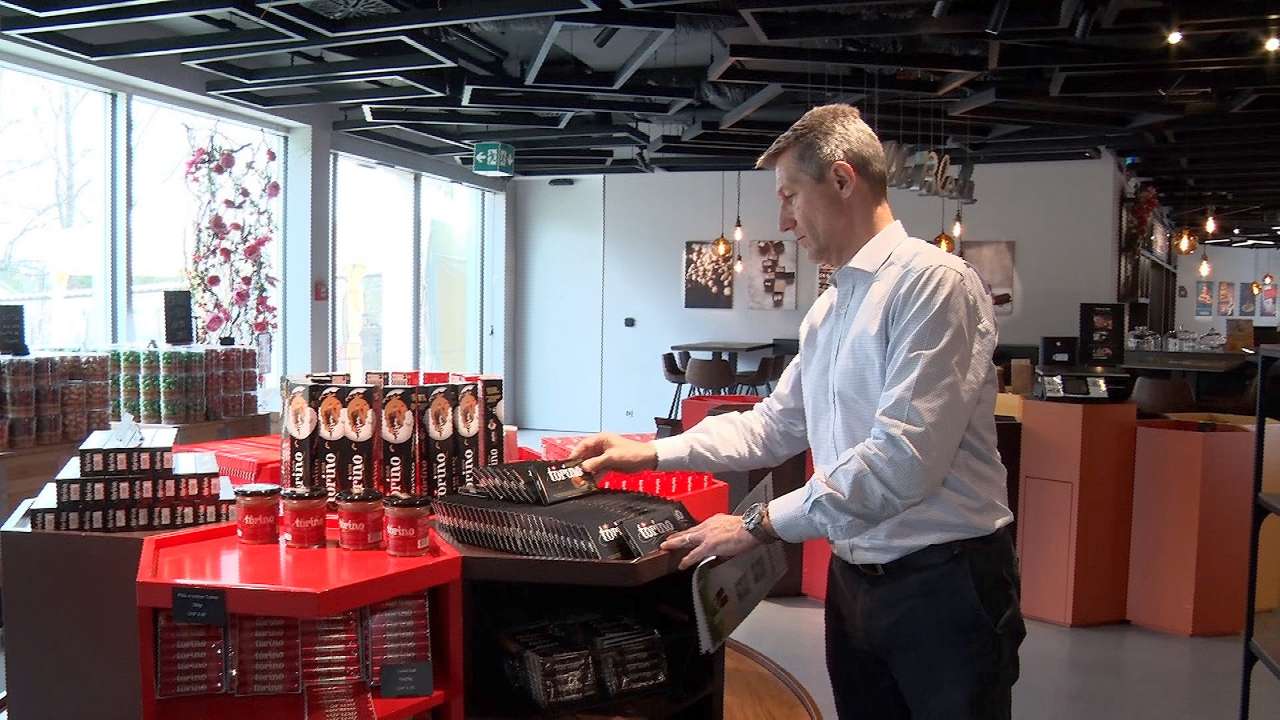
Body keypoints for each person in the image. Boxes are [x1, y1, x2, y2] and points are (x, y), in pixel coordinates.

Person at [570, 104, 1025, 719]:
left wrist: (757, 523)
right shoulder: (828, 311)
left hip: (945, 583)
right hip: (855, 578)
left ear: (841, 179)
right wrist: (650, 452)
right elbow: (773, 425)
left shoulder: (934, 284)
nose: (784, 221)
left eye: (790, 196)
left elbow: (902, 462)